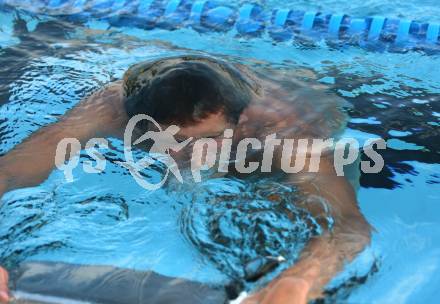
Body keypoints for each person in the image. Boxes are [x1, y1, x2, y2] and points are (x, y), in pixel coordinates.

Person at [0, 54, 371, 304]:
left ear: (239, 122)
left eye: (206, 138)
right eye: (167, 142)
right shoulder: (112, 108)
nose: (183, 155)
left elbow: (347, 226)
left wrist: (297, 281)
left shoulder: (284, 134)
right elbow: (13, 170)